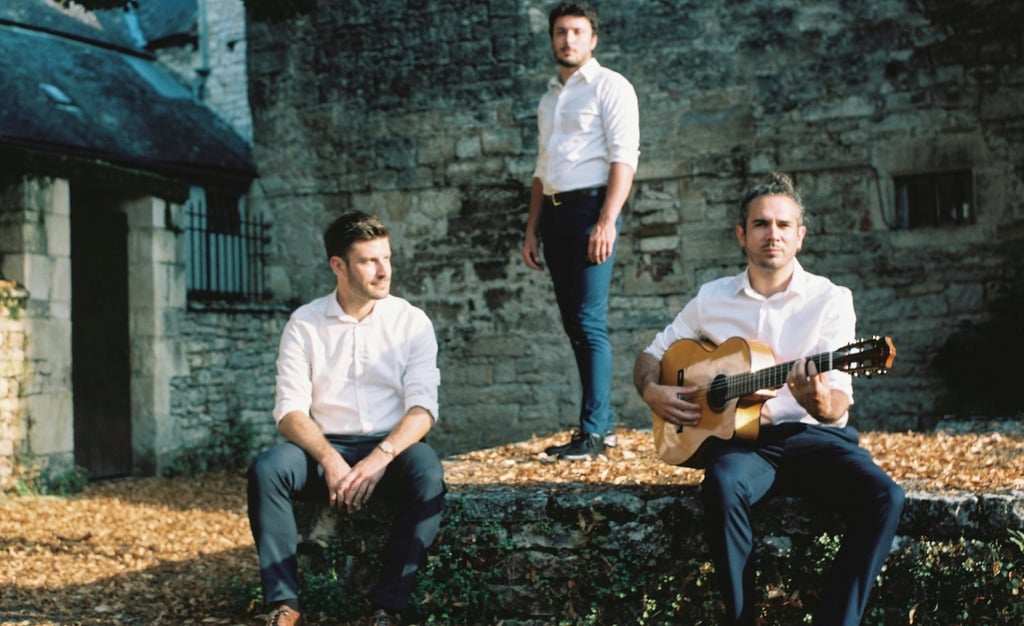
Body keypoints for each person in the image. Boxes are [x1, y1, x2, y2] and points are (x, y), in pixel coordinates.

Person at [632, 173, 905, 626]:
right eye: (760, 224)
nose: (771, 233)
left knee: (887, 497)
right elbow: (652, 354)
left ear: (800, 235)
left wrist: (816, 400)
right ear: (742, 235)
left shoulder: (831, 299)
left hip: (811, 438)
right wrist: (652, 390)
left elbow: (838, 403)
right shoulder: (711, 298)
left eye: (783, 224)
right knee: (722, 483)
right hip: (743, 446)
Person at [247, 211, 446, 626]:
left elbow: (423, 408)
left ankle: (387, 609)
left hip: (390, 447)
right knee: (268, 469)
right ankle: (285, 606)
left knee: (427, 472)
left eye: (386, 258)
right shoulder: (305, 323)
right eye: (368, 261)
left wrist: (379, 458)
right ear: (338, 265)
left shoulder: (411, 322)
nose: (383, 270)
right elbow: (289, 412)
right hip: (324, 445)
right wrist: (330, 460)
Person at [521, 0, 640, 460]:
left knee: (589, 322)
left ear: (593, 39)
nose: (567, 40)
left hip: (592, 208)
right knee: (574, 324)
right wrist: (532, 230)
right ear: (552, 39)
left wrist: (607, 220)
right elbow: (541, 169)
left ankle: (592, 432)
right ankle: (601, 428)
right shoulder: (549, 98)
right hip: (554, 214)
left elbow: (624, 157)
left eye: (576, 32)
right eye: (560, 32)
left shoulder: (611, 86)